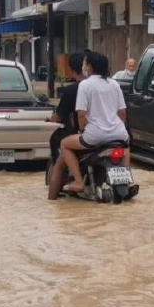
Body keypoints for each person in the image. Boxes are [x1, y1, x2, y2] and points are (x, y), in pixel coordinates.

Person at [58, 50, 129, 195]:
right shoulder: (114, 84)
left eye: (85, 62)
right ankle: (126, 180)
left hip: (95, 135)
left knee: (64, 144)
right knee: (126, 148)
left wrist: (82, 130)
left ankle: (78, 181)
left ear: (89, 66)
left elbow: (81, 114)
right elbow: (122, 113)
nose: (83, 65)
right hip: (119, 134)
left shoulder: (85, 85)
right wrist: (118, 127)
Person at [44, 51, 86, 198]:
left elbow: (60, 116)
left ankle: (53, 197)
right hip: (113, 133)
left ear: (72, 69)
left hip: (84, 134)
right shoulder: (111, 86)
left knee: (58, 143)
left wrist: (50, 119)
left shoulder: (73, 90)